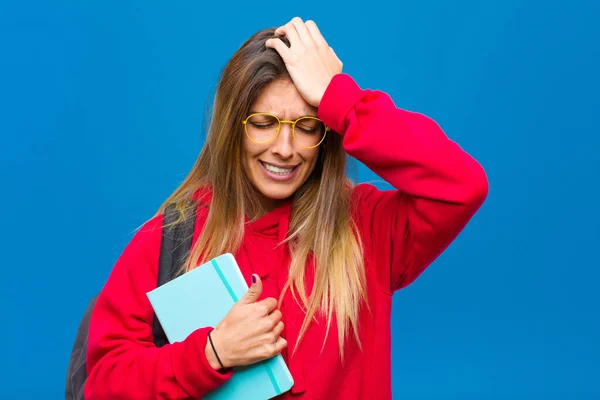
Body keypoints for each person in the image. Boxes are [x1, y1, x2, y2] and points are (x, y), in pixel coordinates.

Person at [84, 17, 488, 399]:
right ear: (233, 128)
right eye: (263, 123)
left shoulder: (366, 227)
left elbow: (461, 184)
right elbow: (102, 385)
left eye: (306, 126)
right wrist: (211, 354)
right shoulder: (173, 237)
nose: (284, 148)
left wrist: (341, 99)